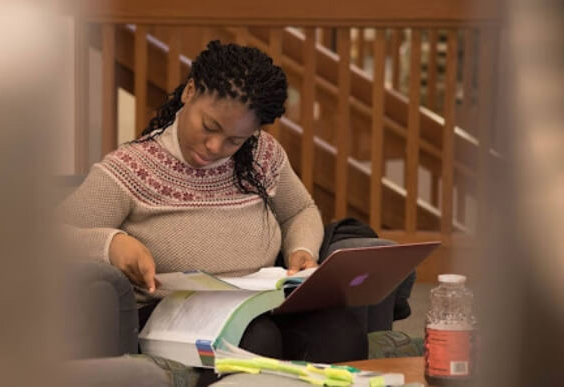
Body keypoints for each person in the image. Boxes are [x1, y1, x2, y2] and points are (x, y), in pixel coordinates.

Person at [59, 41, 368, 373]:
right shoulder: (130, 168)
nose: (215, 147)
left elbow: (300, 210)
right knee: (255, 341)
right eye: (209, 127)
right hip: (174, 318)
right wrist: (112, 245)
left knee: (341, 331)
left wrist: (302, 249)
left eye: (236, 140)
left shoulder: (264, 154)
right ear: (189, 91)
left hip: (260, 304)